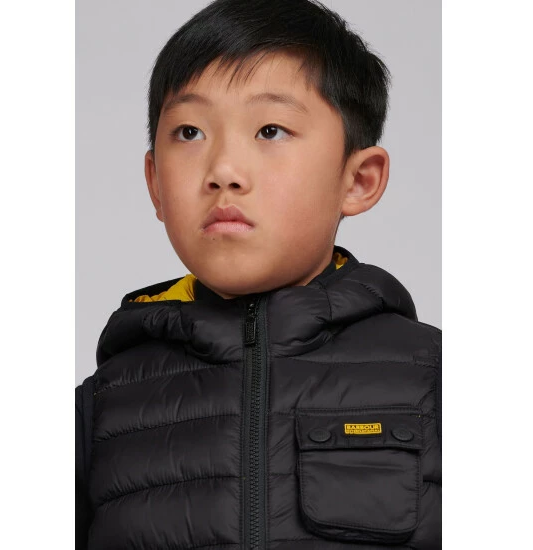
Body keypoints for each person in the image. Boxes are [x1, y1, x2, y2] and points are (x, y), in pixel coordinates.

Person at [75, 0, 441, 548]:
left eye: (270, 130)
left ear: (359, 179)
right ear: (154, 183)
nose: (223, 170)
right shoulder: (99, 409)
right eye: (190, 132)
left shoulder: (437, 380)